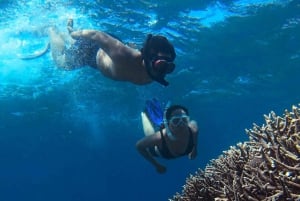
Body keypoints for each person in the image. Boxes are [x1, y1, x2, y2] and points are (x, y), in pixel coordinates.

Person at [48, 19, 176, 86]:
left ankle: (69, 35)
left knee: (73, 45)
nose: (163, 72)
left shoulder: (154, 72)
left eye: (169, 68)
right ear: (147, 58)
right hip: (92, 50)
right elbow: (95, 34)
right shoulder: (125, 56)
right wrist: (74, 34)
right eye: (161, 65)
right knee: (62, 64)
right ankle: (52, 29)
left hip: (110, 52)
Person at [136, 99, 198, 174]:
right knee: (150, 134)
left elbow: (195, 135)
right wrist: (157, 165)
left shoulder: (193, 128)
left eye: (184, 120)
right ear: (168, 124)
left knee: (159, 122)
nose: (181, 125)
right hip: (159, 150)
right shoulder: (160, 137)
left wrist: (194, 150)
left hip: (166, 138)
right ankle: (144, 114)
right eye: (176, 121)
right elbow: (139, 146)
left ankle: (163, 120)